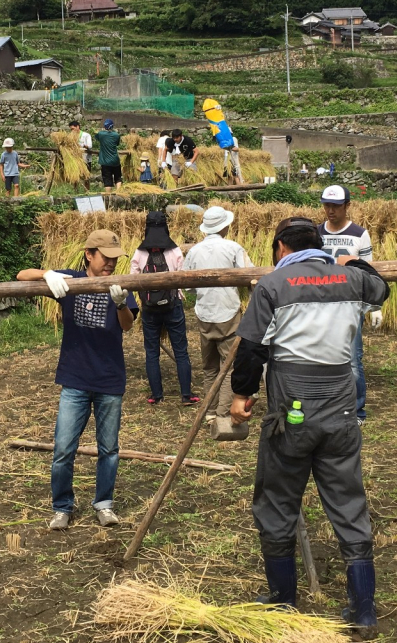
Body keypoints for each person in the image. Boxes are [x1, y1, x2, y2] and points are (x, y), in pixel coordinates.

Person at [230, 216, 389, 631]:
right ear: (318, 244)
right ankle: (364, 610)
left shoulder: (272, 286)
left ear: (281, 246)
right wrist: (355, 263)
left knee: (278, 499)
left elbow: (251, 349)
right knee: (347, 500)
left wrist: (242, 396)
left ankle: (282, 600)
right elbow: (381, 289)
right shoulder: (350, 280)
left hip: (291, 411)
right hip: (340, 408)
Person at [17, 230, 138, 530]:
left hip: (110, 379)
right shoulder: (68, 280)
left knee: (108, 449)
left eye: (115, 258)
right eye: (106, 257)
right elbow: (21, 276)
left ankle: (104, 504)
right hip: (75, 379)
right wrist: (47, 274)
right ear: (89, 254)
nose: (111, 263)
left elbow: (128, 326)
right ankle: (62, 506)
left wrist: (121, 304)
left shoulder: (121, 286)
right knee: (63, 449)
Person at [182, 205, 253, 421]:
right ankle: (223, 413)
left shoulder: (194, 251)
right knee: (229, 366)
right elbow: (249, 275)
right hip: (228, 313)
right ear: (225, 227)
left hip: (204, 313)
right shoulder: (233, 248)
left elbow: (187, 285)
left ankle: (210, 412)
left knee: (209, 367)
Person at [317, 185, 381, 423]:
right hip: (321, 304)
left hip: (350, 305)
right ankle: (327, 407)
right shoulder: (316, 234)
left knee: (353, 360)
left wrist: (375, 306)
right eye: (326, 205)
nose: (330, 210)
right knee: (321, 357)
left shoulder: (359, 234)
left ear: (347, 205)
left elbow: (367, 271)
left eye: (335, 206)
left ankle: (356, 410)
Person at [129, 211, 199, 406]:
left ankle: (156, 395)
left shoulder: (140, 252)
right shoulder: (174, 251)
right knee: (181, 351)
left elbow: (132, 279)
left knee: (151, 352)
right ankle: (186, 395)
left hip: (150, 309)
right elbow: (182, 277)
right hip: (172, 306)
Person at [96, 118, 123, 192]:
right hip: (115, 161)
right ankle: (118, 193)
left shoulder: (101, 134)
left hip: (105, 162)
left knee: (107, 179)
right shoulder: (116, 135)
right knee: (118, 177)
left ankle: (108, 196)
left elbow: (97, 137)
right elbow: (117, 144)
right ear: (112, 126)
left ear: (104, 126)